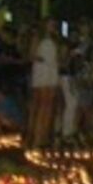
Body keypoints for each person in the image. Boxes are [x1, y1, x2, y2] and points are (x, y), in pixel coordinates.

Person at [27, 18, 60, 148]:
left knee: (49, 106)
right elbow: (31, 55)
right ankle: (35, 137)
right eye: (50, 24)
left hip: (51, 71)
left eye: (54, 25)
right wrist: (41, 59)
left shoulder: (55, 40)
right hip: (42, 72)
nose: (53, 27)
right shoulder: (38, 38)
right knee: (40, 105)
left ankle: (44, 136)